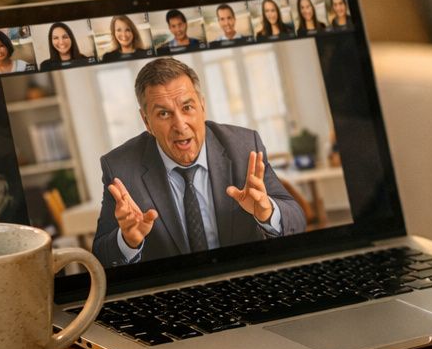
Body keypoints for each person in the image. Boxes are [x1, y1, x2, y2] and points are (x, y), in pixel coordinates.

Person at [92, 57, 307, 267]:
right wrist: (127, 241)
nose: (180, 125)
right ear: (146, 121)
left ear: (202, 106)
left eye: (187, 108)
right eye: (164, 113)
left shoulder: (244, 147)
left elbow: (297, 221)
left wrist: (267, 212)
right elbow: (101, 257)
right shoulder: (120, 168)